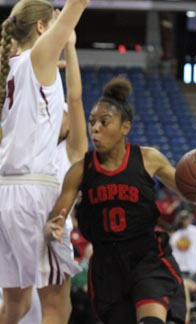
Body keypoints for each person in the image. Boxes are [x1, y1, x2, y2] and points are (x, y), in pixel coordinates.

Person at [45, 76, 186, 324]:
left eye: (104, 122)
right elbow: (57, 217)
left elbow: (186, 188)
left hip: (146, 258)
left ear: (125, 127)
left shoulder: (148, 158)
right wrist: (52, 228)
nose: (95, 128)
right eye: (92, 122)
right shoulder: (80, 170)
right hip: (107, 267)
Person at [0, 0, 89, 323]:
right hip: (33, 195)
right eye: (54, 22)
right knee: (55, 306)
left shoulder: (9, 65)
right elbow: (77, 4)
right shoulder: (38, 57)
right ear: (41, 28)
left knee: (15, 307)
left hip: (6, 193)